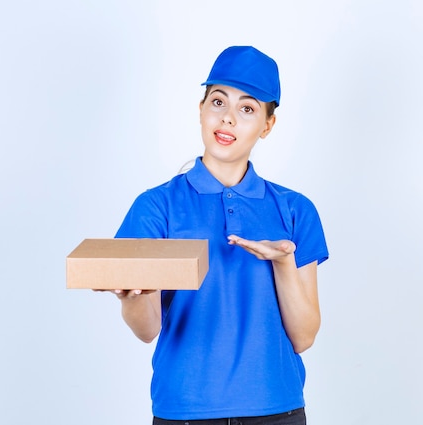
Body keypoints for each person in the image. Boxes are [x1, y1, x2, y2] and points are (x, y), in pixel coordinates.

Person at [111, 46, 329, 425]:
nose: (227, 119)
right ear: (201, 109)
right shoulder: (156, 207)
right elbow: (147, 330)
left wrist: (282, 264)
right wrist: (132, 296)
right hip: (185, 411)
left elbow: (304, 337)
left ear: (267, 125)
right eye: (218, 101)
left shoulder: (295, 210)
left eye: (247, 109)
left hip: (277, 410)